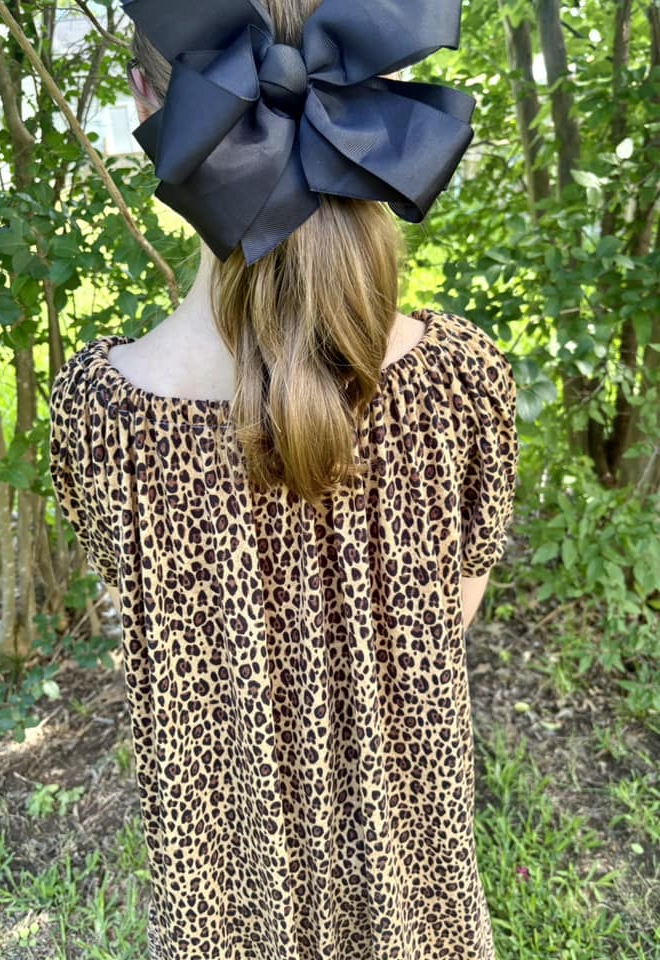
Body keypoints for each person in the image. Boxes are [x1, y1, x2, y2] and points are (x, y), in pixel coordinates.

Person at [49, 1, 518, 958]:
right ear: (382, 96)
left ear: (151, 106)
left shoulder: (102, 418)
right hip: (414, 893)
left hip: (228, 902)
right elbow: (447, 618)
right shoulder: (465, 383)